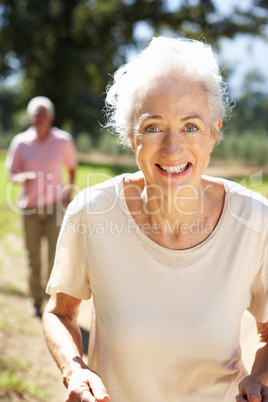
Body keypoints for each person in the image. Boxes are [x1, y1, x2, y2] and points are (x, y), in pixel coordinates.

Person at [42, 37, 268, 401]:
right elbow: (61, 313)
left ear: (214, 132)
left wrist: (261, 377)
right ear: (131, 137)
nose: (172, 148)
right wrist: (75, 370)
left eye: (191, 126)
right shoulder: (91, 211)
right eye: (152, 127)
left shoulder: (255, 219)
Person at [5, 96, 77, 317]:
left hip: (54, 206)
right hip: (30, 208)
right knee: (33, 256)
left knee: (55, 256)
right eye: (36, 115)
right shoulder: (20, 142)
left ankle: (52, 299)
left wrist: (68, 190)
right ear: (30, 117)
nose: (39, 119)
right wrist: (20, 177)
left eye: (43, 115)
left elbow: (72, 166)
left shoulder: (63, 140)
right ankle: (36, 300)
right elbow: (11, 171)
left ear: (51, 117)